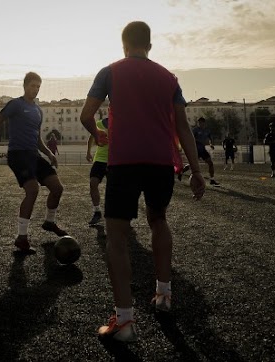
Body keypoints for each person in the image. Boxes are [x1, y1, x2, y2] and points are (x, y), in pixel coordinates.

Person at [80, 21, 205, 343]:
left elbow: (85, 115)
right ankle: (164, 294)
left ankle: (124, 321)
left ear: (124, 45)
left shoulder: (109, 71)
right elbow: (183, 127)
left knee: (117, 235)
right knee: (158, 220)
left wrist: (97, 133)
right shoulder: (169, 78)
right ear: (150, 45)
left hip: (123, 160)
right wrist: (197, 170)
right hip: (162, 160)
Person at [0, 72, 68, 254]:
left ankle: (49, 222)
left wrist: (49, 154)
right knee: (33, 190)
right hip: (18, 155)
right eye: (33, 86)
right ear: (25, 86)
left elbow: (37, 138)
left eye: (38, 87)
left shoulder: (38, 111)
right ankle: (21, 238)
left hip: (33, 155)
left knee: (57, 188)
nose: (36, 89)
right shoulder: (16, 104)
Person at [86, 110, 109, 226]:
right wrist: (88, 152)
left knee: (116, 189)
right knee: (93, 183)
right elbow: (91, 137)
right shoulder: (99, 124)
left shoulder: (122, 123)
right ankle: (97, 211)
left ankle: (118, 215)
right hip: (100, 159)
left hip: (115, 161)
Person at [192, 117, 219, 186]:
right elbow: (191, 138)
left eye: (201, 122)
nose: (200, 124)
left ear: (204, 123)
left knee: (210, 163)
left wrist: (211, 144)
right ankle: (182, 171)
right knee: (192, 165)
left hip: (203, 150)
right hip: (196, 150)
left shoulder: (207, 131)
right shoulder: (195, 130)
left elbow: (210, 138)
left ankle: (212, 179)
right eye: (199, 123)